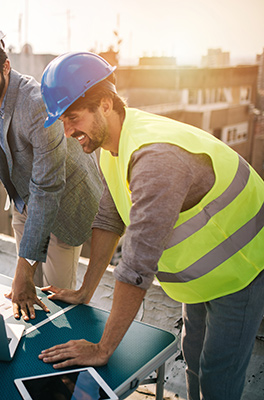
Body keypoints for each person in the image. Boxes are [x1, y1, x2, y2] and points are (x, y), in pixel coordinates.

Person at [38, 51, 264, 400]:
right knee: (193, 357)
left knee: (218, 375)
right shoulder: (111, 145)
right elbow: (109, 219)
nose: (68, 132)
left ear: (106, 104)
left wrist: (103, 349)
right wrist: (86, 290)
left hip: (242, 267)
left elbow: (137, 264)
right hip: (202, 277)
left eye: (73, 118)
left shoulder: (156, 158)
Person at [0, 17, 102, 320]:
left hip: (64, 202)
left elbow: (47, 189)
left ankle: (61, 362)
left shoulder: (36, 102)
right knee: (29, 292)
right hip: (23, 200)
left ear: (5, 66)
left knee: (58, 299)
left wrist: (22, 268)